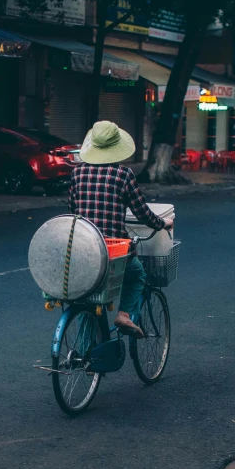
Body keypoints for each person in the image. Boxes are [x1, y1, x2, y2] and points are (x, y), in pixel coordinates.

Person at [68, 121, 173, 339]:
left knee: (88, 297)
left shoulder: (77, 174)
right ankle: (124, 315)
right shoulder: (123, 175)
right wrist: (163, 224)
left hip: (84, 247)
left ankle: (85, 357)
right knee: (137, 275)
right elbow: (142, 213)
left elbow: (73, 209)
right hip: (114, 251)